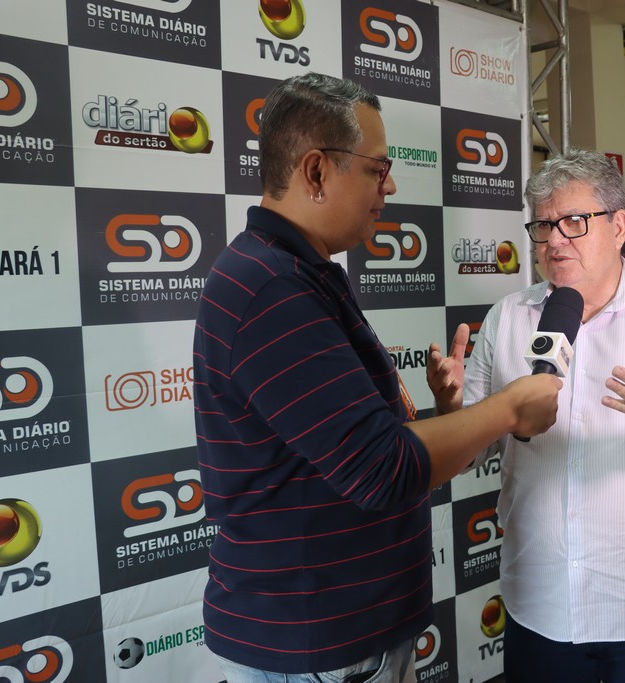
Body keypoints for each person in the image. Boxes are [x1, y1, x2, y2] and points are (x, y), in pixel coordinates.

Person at [192, 73, 562, 683]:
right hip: (321, 645)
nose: (389, 186)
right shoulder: (272, 287)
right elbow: (382, 468)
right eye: (377, 169)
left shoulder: (299, 272)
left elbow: (354, 447)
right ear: (316, 171)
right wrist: (507, 409)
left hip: (343, 636)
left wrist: (448, 418)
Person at [426, 149, 625, 683]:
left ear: (618, 226)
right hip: (540, 605)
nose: (555, 241)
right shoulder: (509, 317)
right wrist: (452, 411)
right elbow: (473, 454)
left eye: (574, 222)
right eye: (542, 225)